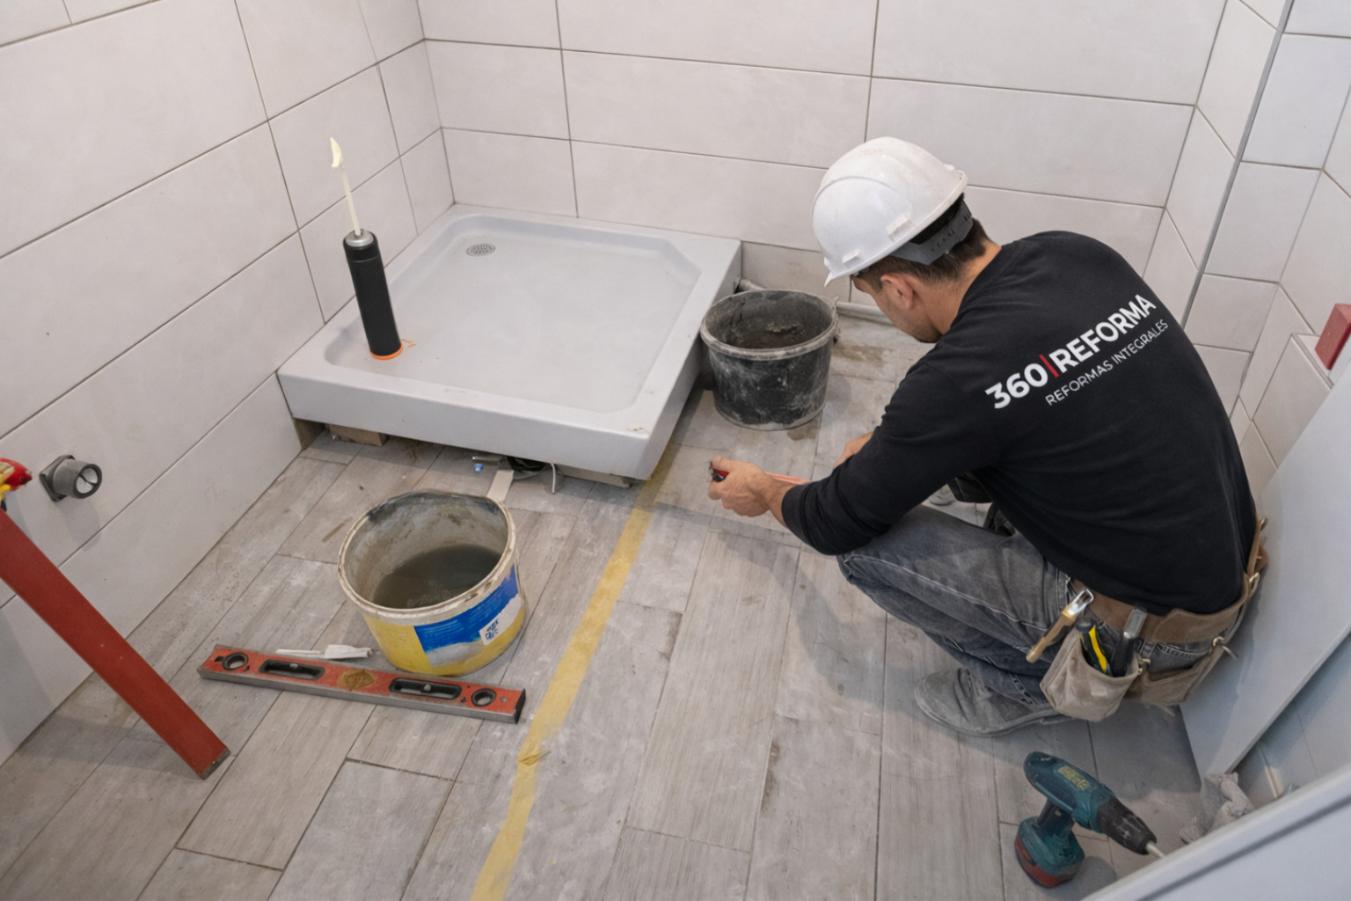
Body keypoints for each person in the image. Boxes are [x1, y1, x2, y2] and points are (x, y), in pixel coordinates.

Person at [708, 137, 1261, 736]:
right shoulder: (1075, 255)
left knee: (866, 550)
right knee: (972, 460)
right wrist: (893, 450)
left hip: (1154, 635)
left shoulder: (957, 381)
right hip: (1219, 561)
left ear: (898, 288)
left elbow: (833, 522)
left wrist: (765, 492)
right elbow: (1018, 404)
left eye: (871, 294)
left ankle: (1022, 688)